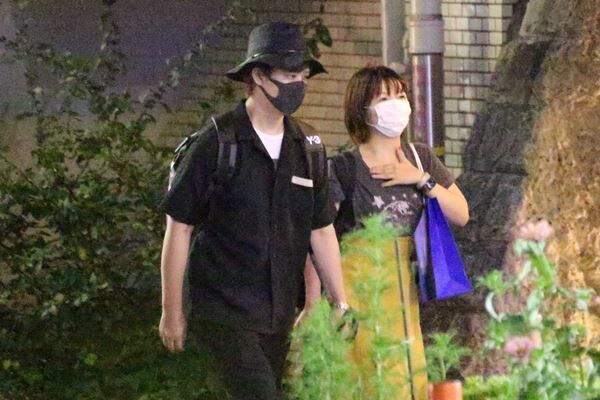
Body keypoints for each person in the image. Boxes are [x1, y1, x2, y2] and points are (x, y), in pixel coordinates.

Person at [158, 22, 348, 400]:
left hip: (278, 313)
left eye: (303, 76)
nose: (298, 85)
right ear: (258, 76)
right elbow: (179, 228)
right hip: (223, 311)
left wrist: (338, 300)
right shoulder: (217, 142)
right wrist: (172, 309)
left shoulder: (308, 147)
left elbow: (321, 229)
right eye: (289, 75)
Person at [302, 65, 469, 399]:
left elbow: (461, 214)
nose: (397, 104)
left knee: (408, 377)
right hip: (359, 294)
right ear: (362, 110)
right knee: (364, 379)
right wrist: (313, 301)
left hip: (411, 295)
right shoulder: (343, 168)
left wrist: (421, 180)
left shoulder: (420, 158)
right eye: (383, 98)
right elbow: (319, 234)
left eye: (401, 95)